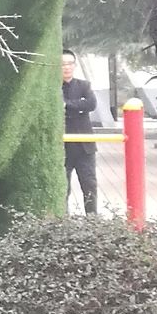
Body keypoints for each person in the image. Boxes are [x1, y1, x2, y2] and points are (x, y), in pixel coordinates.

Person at [61, 53, 100, 215]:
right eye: (63, 64)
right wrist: (78, 106)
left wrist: (67, 105)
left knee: (89, 185)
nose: (67, 67)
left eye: (70, 63)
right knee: (63, 187)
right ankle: (62, 221)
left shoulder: (84, 85)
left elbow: (91, 104)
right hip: (63, 146)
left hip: (85, 146)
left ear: (75, 66)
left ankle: (92, 220)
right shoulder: (53, 87)